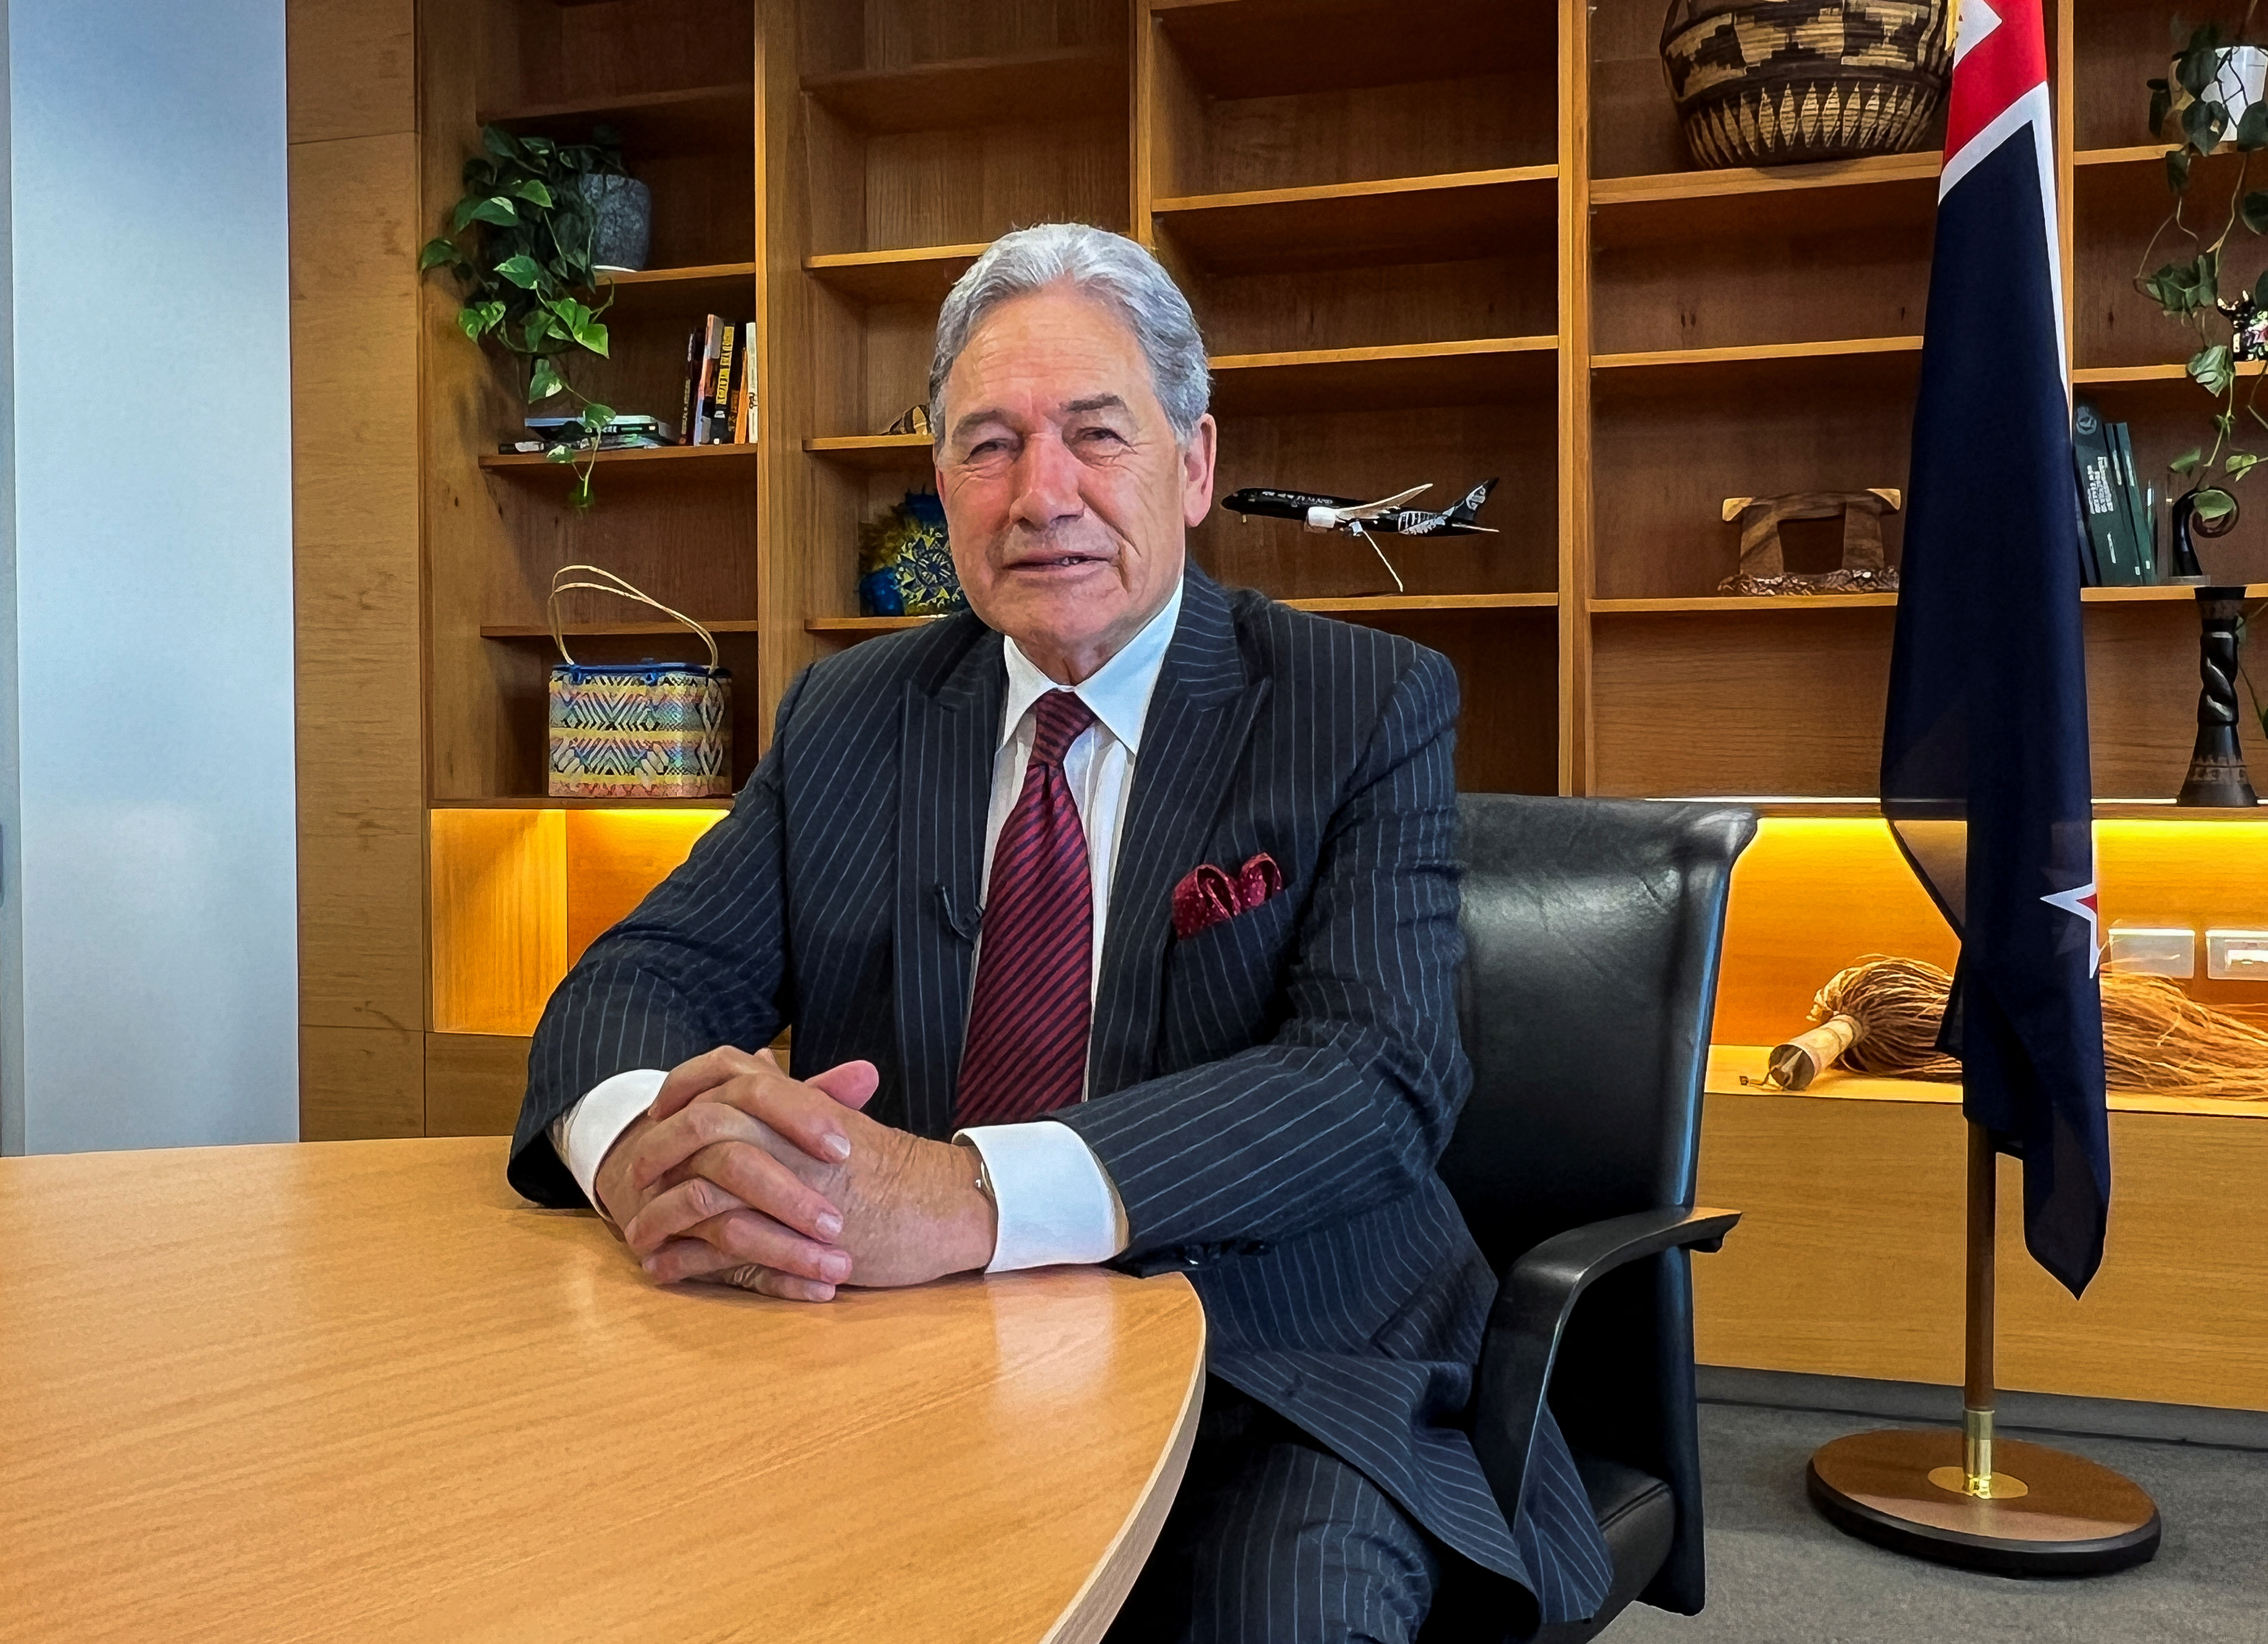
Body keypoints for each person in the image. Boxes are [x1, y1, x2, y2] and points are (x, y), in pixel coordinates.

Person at [508, 222, 1609, 1642]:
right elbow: (641, 978)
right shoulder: (849, 714)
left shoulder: (1361, 700)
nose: (1042, 496)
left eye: (1096, 434)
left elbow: (1375, 1075)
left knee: (1285, 1615)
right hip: (907, 1344)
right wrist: (644, 1160)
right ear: (941, 484)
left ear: (1192, 465)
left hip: (1277, 1358)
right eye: (988, 446)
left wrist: (966, 1195)